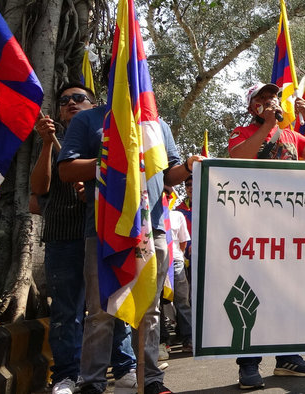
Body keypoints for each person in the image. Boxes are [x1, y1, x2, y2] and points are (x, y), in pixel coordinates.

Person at [58, 96, 203, 394]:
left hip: (154, 230)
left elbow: (169, 174)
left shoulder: (158, 125)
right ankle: (91, 384)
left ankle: (150, 380)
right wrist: (113, 160)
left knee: (149, 311)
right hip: (103, 231)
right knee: (100, 311)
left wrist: (188, 165)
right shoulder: (88, 120)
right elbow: (67, 170)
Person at [32, 82, 138, 394]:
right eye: (64, 100)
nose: (71, 103)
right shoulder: (55, 142)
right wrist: (47, 145)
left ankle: (124, 366)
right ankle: (66, 375)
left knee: (111, 304)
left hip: (102, 233)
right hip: (64, 237)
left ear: (94, 105)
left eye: (79, 98)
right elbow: (37, 193)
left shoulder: (103, 137)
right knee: (67, 311)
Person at [227, 82, 305, 389]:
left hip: (291, 225)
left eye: (273, 96)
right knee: (252, 292)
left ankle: (288, 357)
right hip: (253, 225)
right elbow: (239, 158)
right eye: (263, 98)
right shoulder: (242, 132)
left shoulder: (291, 136)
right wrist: (269, 125)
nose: (271, 100)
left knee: (289, 291)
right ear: (252, 107)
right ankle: (248, 363)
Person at [160, 185, 193, 354]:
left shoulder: (177, 215)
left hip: (176, 262)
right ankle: (162, 341)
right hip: (157, 263)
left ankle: (189, 338)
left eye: (167, 194)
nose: (164, 197)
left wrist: (177, 255)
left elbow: (183, 241)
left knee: (182, 301)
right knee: (158, 304)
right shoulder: (151, 216)